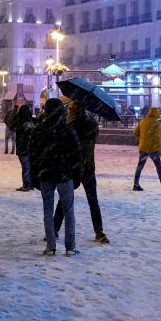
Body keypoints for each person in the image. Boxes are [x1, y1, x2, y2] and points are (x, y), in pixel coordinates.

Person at [28, 97, 83, 256]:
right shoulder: (68, 130)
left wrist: (35, 174)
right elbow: (77, 154)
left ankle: (51, 245)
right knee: (69, 211)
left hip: (46, 174)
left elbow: (33, 153)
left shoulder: (39, 130)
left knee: (47, 210)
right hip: (65, 174)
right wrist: (76, 175)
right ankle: (70, 246)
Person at [55, 99, 108, 244]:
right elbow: (93, 135)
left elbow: (63, 140)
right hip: (88, 166)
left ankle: (54, 229)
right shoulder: (91, 123)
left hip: (73, 166)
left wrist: (69, 121)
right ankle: (99, 231)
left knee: (64, 199)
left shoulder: (71, 123)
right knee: (93, 201)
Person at [132, 107, 161, 191]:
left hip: (143, 148)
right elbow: (157, 138)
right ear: (156, 114)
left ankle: (136, 184)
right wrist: (159, 149)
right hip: (153, 149)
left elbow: (135, 133)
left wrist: (143, 138)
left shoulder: (142, 121)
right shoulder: (156, 123)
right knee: (158, 166)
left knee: (140, 166)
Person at [13, 104, 35, 191]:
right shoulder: (33, 121)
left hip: (22, 147)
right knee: (30, 166)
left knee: (25, 166)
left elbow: (12, 126)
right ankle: (31, 184)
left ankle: (26, 185)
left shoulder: (19, 122)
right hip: (32, 147)